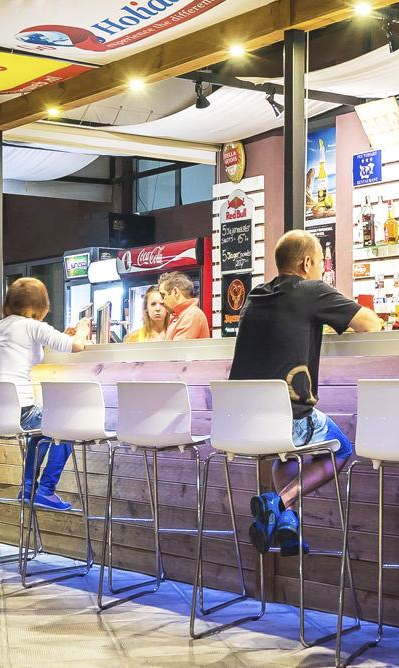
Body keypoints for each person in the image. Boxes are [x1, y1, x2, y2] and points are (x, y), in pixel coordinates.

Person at [228, 229, 383, 553]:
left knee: (285, 452)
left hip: (240, 422)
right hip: (288, 420)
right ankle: (277, 502)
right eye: (321, 263)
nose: (323, 269)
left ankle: (287, 526)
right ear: (307, 263)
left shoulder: (254, 296)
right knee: (340, 448)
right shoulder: (311, 291)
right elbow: (371, 324)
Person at [0, 277, 90, 512]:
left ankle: (28, 489)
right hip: (20, 411)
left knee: (40, 431)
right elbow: (77, 346)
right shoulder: (33, 326)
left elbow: (30, 356)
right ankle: (46, 491)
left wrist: (61, 336)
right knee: (67, 424)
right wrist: (82, 330)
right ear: (41, 304)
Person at [160, 272, 210, 340]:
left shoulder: (192, 314)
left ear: (175, 292)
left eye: (163, 295)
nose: (162, 301)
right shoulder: (183, 315)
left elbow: (178, 346)